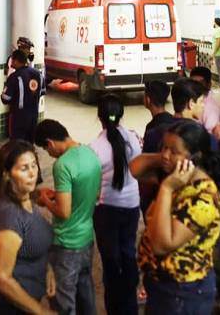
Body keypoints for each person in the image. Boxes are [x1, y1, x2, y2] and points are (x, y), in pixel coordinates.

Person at [132, 120, 220, 314]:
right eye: (163, 148)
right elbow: (135, 168)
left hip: (183, 291)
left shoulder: (203, 198)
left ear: (195, 156)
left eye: (174, 151)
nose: (165, 155)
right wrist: (165, 156)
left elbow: (162, 245)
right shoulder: (179, 177)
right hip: (162, 285)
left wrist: (166, 189)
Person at [33, 119, 101, 315]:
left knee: (63, 301)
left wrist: (46, 200)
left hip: (66, 243)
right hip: (87, 239)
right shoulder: (89, 153)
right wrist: (59, 195)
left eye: (46, 150)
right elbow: (94, 194)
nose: (49, 154)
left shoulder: (62, 165)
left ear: (50, 143)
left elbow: (64, 212)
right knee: (86, 295)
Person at [0, 140, 56, 315]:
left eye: (34, 165)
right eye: (24, 168)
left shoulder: (25, 199)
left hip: (29, 299)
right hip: (10, 309)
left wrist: (47, 268)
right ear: (7, 174)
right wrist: (41, 311)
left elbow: (32, 243)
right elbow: (0, 278)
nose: (33, 173)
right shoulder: (9, 215)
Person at [88, 95, 142, 315]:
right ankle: (130, 301)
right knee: (128, 252)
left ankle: (115, 306)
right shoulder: (133, 138)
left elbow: (93, 186)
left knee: (110, 258)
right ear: (121, 114)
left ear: (99, 116)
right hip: (131, 206)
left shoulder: (95, 147)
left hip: (106, 209)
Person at [139, 80, 175, 214]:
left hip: (157, 192)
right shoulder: (173, 121)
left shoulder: (152, 129)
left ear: (148, 99)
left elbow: (147, 164)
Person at [2, 49, 45, 142]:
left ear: (16, 61)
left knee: (17, 144)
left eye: (12, 60)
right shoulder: (38, 74)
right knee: (30, 142)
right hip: (34, 115)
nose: (11, 62)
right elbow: (42, 92)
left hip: (18, 117)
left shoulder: (14, 76)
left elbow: (5, 98)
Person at [189, 67, 220, 139]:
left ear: (209, 84)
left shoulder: (210, 108)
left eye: (200, 83)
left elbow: (213, 139)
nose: (196, 87)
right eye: (193, 83)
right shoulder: (195, 101)